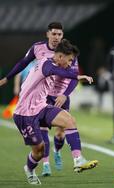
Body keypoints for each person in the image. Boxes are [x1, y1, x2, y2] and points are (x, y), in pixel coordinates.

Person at [10, 39, 98, 185]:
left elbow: (64, 72)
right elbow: (57, 71)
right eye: (69, 60)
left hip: (41, 107)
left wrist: (73, 79)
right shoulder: (47, 64)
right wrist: (77, 76)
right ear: (60, 56)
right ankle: (29, 169)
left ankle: (78, 160)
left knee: (69, 120)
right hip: (24, 114)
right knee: (39, 150)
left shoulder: (56, 62)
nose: (70, 64)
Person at [0, 22, 79, 176]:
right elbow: (23, 63)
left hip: (61, 95)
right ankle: (46, 164)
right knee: (41, 135)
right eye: (54, 34)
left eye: (60, 34)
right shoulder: (38, 48)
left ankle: (57, 150)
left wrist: (65, 94)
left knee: (61, 132)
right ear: (47, 34)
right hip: (43, 97)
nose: (57, 37)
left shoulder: (68, 52)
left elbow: (74, 77)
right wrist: (7, 78)